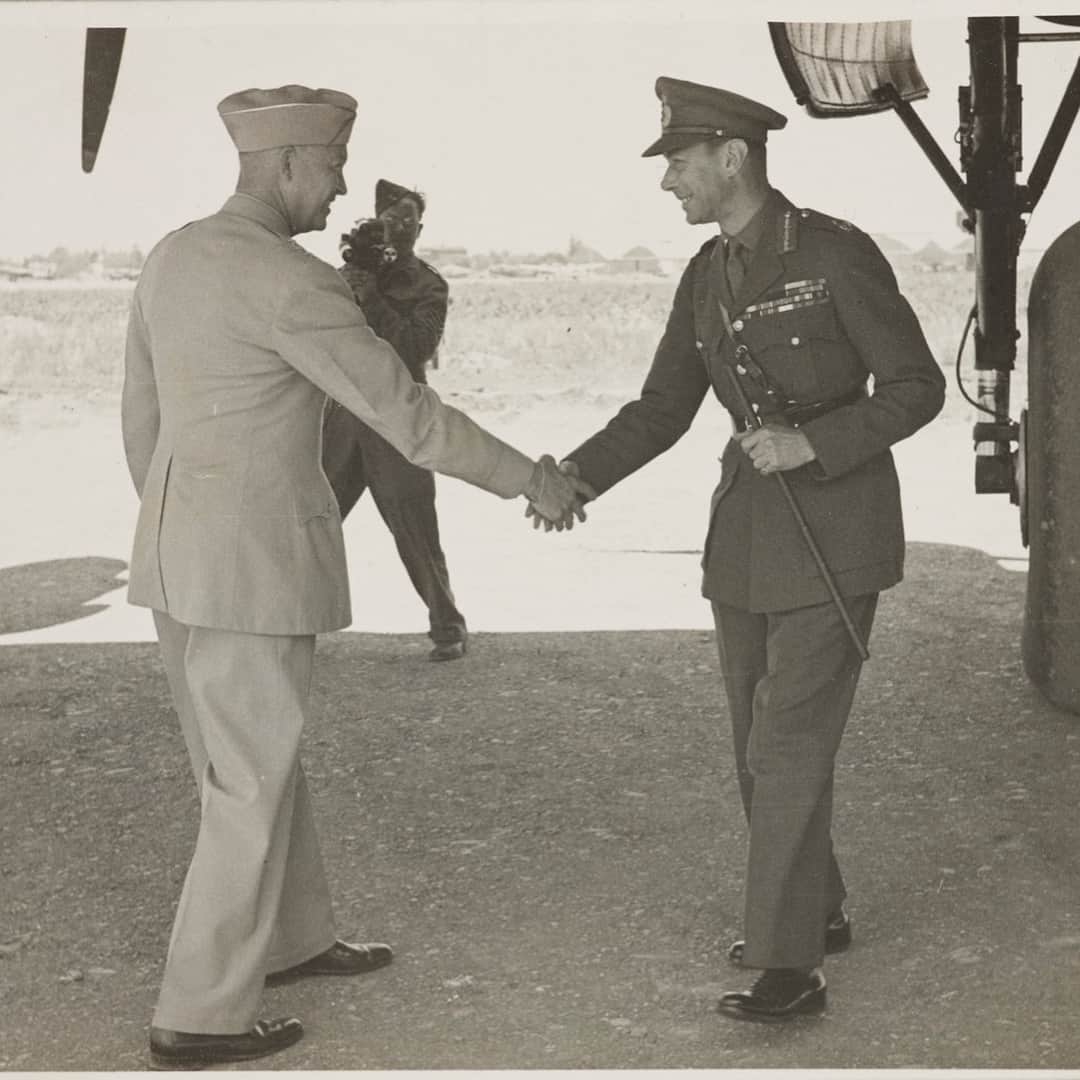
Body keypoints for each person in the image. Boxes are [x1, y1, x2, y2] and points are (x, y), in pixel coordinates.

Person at [121, 84, 587, 1070]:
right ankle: (198, 1014)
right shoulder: (291, 281)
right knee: (247, 780)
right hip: (248, 566)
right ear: (287, 164)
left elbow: (141, 416)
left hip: (178, 554)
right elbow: (405, 415)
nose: (341, 191)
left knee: (245, 762)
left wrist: (176, 523)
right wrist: (528, 480)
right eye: (331, 168)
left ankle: (289, 940)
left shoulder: (174, 256)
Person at [547, 76, 946, 1021]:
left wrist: (818, 440)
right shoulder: (704, 275)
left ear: (732, 158)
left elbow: (918, 385)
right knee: (754, 745)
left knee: (789, 743)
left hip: (835, 535)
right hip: (746, 544)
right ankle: (819, 908)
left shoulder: (835, 256)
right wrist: (571, 478)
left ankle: (787, 965)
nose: (668, 183)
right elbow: (661, 410)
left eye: (679, 164)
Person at [322, 179, 468, 661]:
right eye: (391, 217)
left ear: (420, 229)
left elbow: (414, 348)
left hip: (398, 422)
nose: (400, 227)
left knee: (417, 529)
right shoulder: (340, 277)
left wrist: (373, 299)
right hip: (342, 417)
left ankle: (447, 627)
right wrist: (348, 287)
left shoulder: (428, 284)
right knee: (310, 524)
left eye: (409, 219)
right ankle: (275, 628)